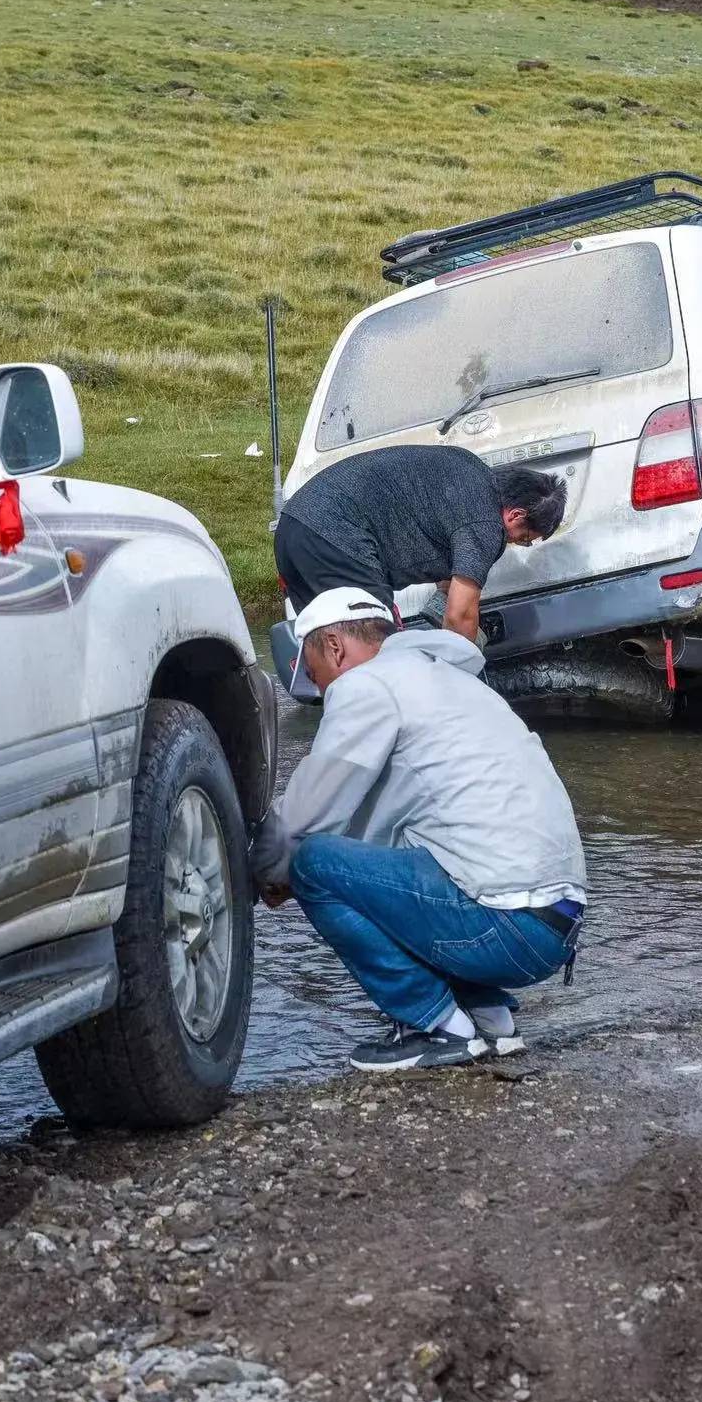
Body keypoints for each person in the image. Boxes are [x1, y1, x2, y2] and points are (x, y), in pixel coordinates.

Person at [250, 586, 587, 1072]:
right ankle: (487, 1017)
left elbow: (302, 816)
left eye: (316, 674)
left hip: (503, 927)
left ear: (335, 647)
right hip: (553, 926)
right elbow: (379, 841)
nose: (321, 690)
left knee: (314, 864)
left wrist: (260, 875)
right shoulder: (453, 682)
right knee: (399, 865)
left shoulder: (366, 685)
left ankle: (436, 1026)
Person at [275, 445, 567, 643]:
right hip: (336, 537)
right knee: (378, 650)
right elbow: (460, 614)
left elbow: (451, 563)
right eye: (524, 539)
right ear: (516, 515)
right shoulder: (487, 524)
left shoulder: (468, 471)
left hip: (293, 526)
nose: (516, 544)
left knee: (329, 645)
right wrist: (466, 685)